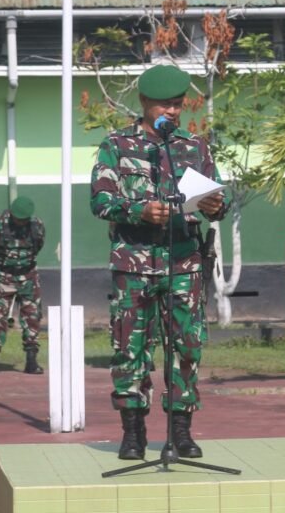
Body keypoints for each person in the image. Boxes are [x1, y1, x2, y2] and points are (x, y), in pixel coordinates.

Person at [90, 63, 228, 461]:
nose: (172, 111)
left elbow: (217, 200)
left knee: (187, 347)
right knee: (130, 349)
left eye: (177, 104)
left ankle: (180, 431)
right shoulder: (116, 145)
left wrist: (216, 205)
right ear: (144, 102)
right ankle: (133, 432)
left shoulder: (194, 146)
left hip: (183, 263)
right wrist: (139, 211)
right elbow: (100, 201)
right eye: (164, 104)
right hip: (133, 266)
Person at [0, 195, 45, 376]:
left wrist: (22, 263)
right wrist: (5, 263)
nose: (20, 222)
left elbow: (38, 245)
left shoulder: (37, 226)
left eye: (23, 220)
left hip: (28, 276)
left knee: (32, 316)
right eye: (17, 219)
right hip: (4, 276)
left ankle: (31, 361)